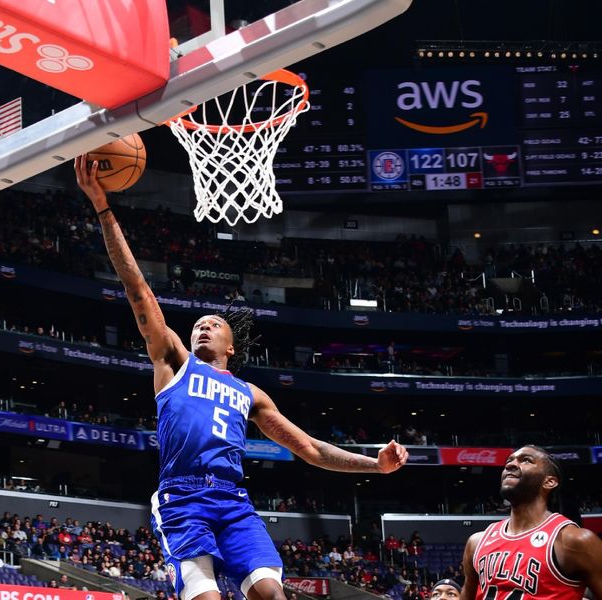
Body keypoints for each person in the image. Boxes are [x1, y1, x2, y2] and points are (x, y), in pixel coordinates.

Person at [75, 157, 409, 600]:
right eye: (198, 323)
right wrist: (102, 206)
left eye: (214, 323)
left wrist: (376, 465)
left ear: (231, 347)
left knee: (272, 593)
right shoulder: (174, 362)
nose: (202, 326)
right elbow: (136, 285)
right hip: (183, 498)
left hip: (233, 502)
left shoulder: (249, 393)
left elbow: (309, 448)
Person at [459, 445, 602, 600]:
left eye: (526, 460)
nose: (510, 465)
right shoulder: (476, 542)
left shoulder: (574, 541)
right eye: (509, 460)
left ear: (549, 482)